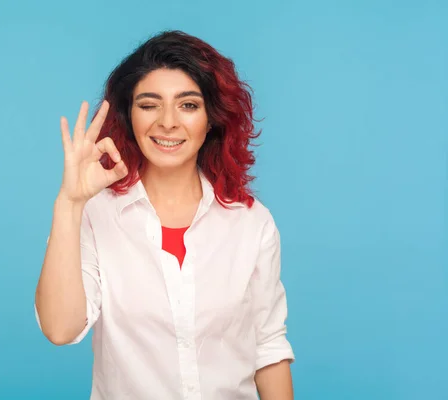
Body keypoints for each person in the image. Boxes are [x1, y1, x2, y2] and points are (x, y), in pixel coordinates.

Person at [34, 30, 295, 400]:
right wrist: (69, 203)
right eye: (149, 104)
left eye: (188, 105)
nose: (168, 122)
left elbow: (268, 347)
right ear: (129, 116)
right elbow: (60, 330)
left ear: (212, 119)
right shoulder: (95, 214)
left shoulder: (251, 222)